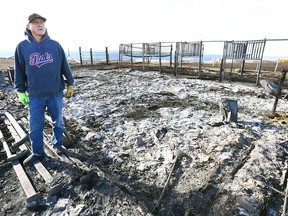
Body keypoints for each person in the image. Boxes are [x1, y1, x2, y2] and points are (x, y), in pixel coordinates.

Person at [14, 13, 74, 165]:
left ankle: (57, 144)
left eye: (42, 22)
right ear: (28, 27)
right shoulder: (22, 47)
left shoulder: (55, 45)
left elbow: (64, 67)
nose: (40, 25)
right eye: (35, 23)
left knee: (58, 122)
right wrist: (20, 90)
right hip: (35, 95)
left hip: (55, 93)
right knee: (35, 126)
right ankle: (37, 152)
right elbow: (19, 70)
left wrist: (70, 83)